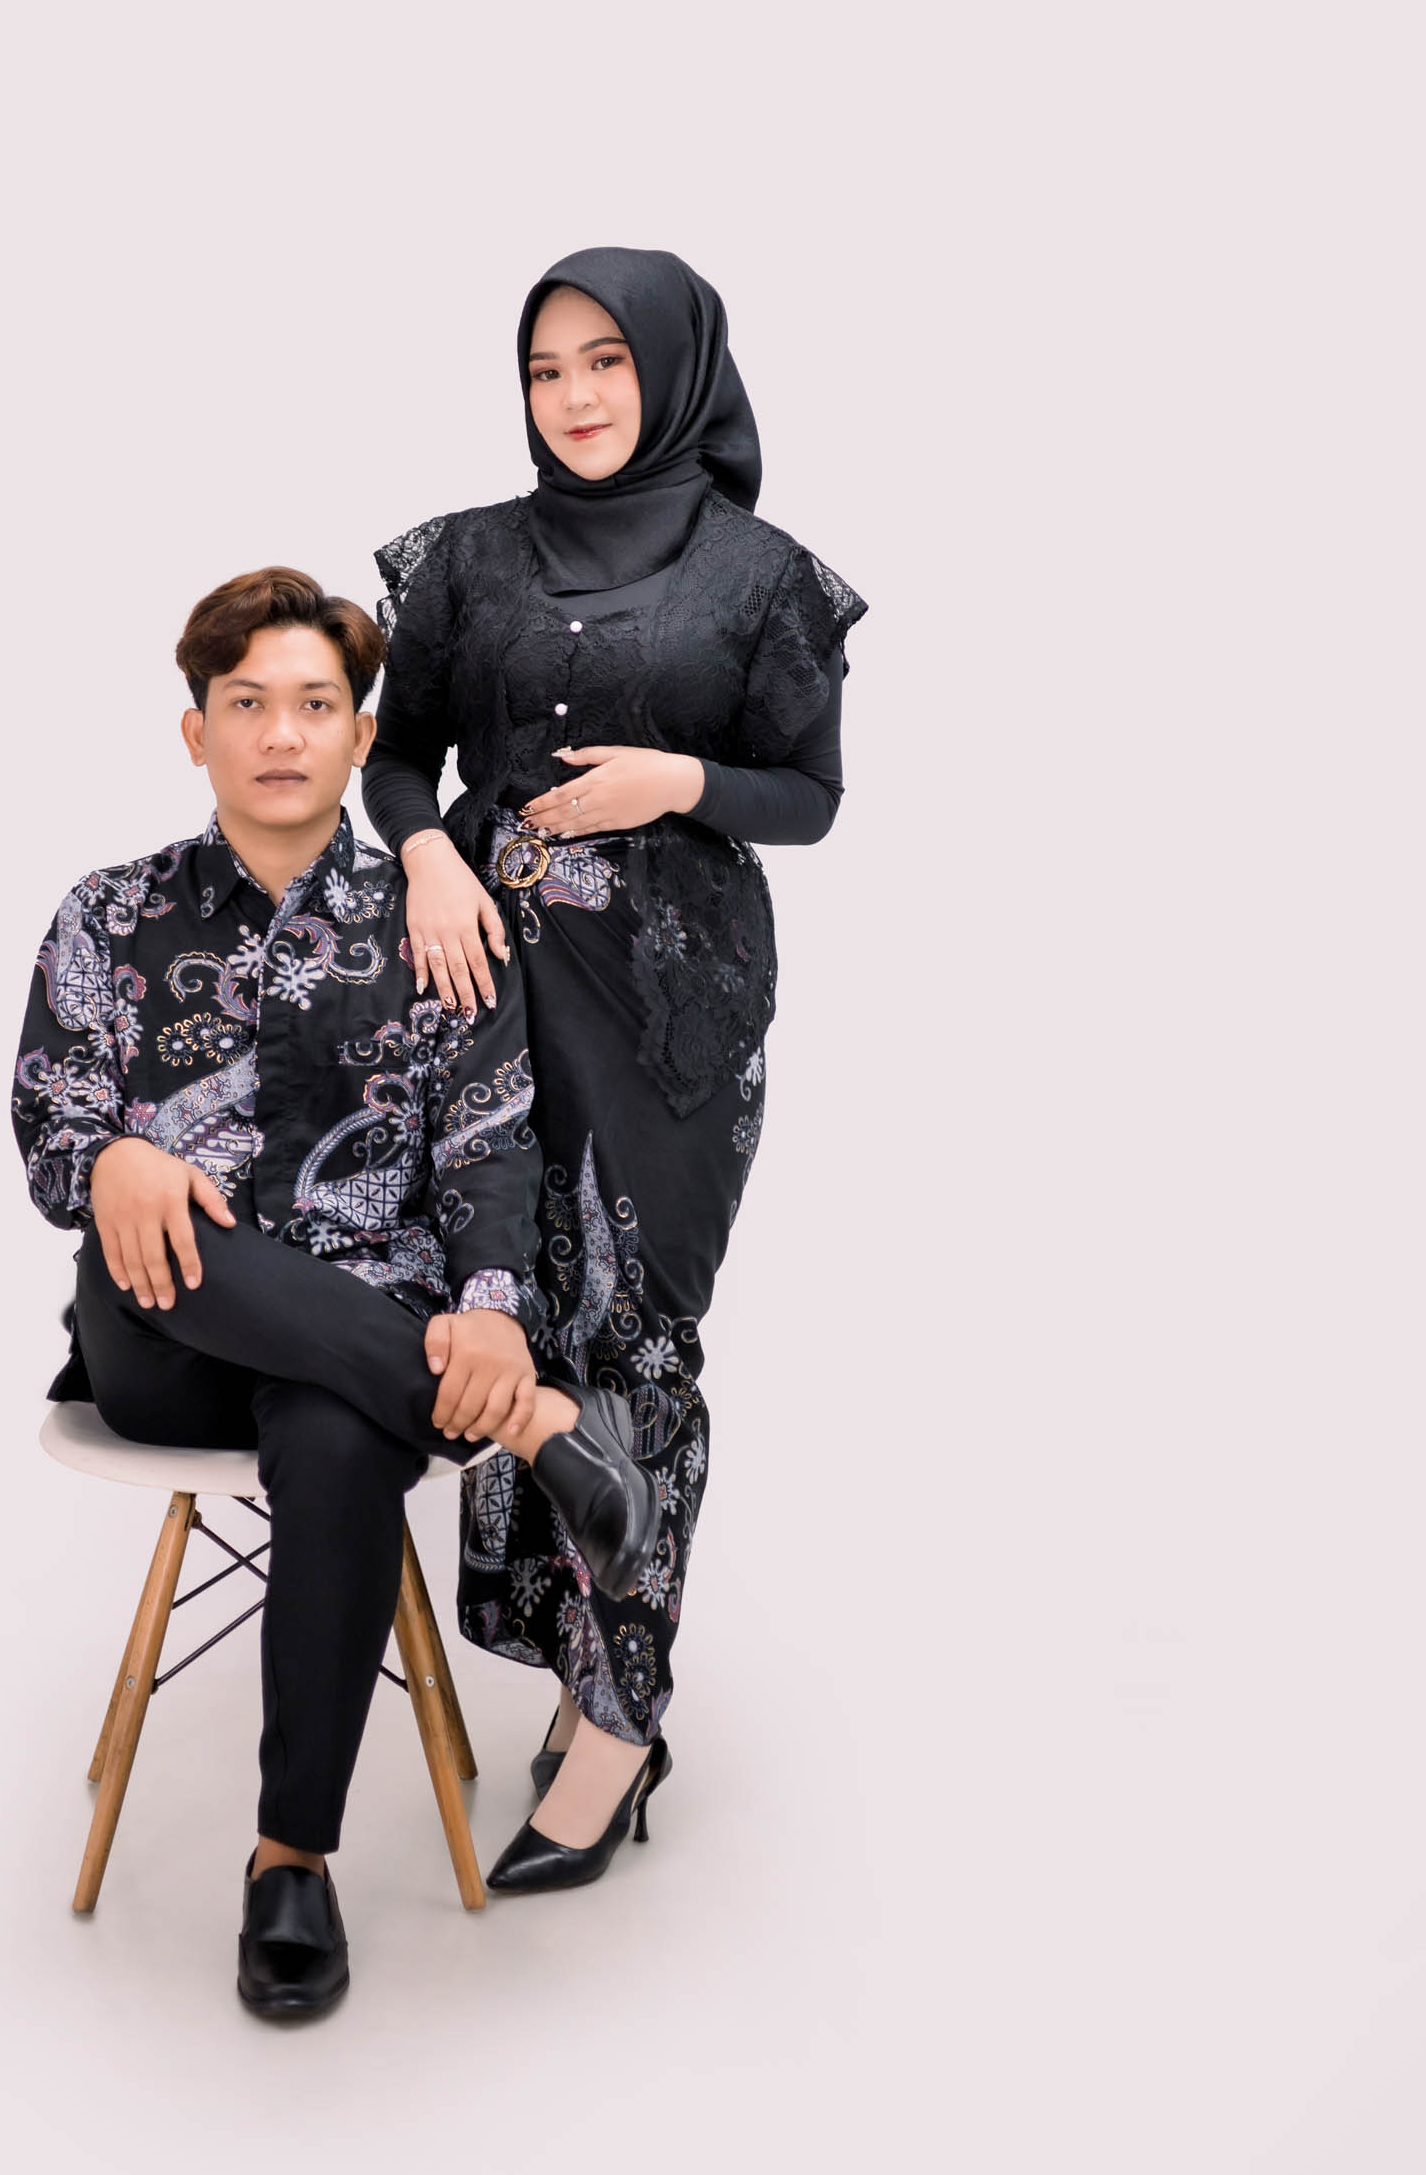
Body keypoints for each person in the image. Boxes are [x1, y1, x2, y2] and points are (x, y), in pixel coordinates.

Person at [10, 566, 657, 2018]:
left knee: (341, 1431)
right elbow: (51, 1128)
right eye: (248, 705)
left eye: (315, 705)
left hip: (372, 1357)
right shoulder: (109, 915)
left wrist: (490, 1305)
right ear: (198, 732)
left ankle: (289, 1863)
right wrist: (111, 1157)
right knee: (159, 1233)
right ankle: (541, 1429)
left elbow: (491, 1145)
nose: (282, 734)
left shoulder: (435, 922)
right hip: (159, 1335)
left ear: (362, 739)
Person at [363, 248, 868, 1894]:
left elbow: (812, 796)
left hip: (673, 1020)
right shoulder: (467, 558)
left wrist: (680, 782)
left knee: (640, 1342)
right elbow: (395, 753)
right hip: (485, 996)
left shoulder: (761, 578)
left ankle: (615, 1728)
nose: (575, 396)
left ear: (676, 370)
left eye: (606, 361)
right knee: (514, 1316)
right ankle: (590, 1672)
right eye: (545, 368)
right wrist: (426, 855)